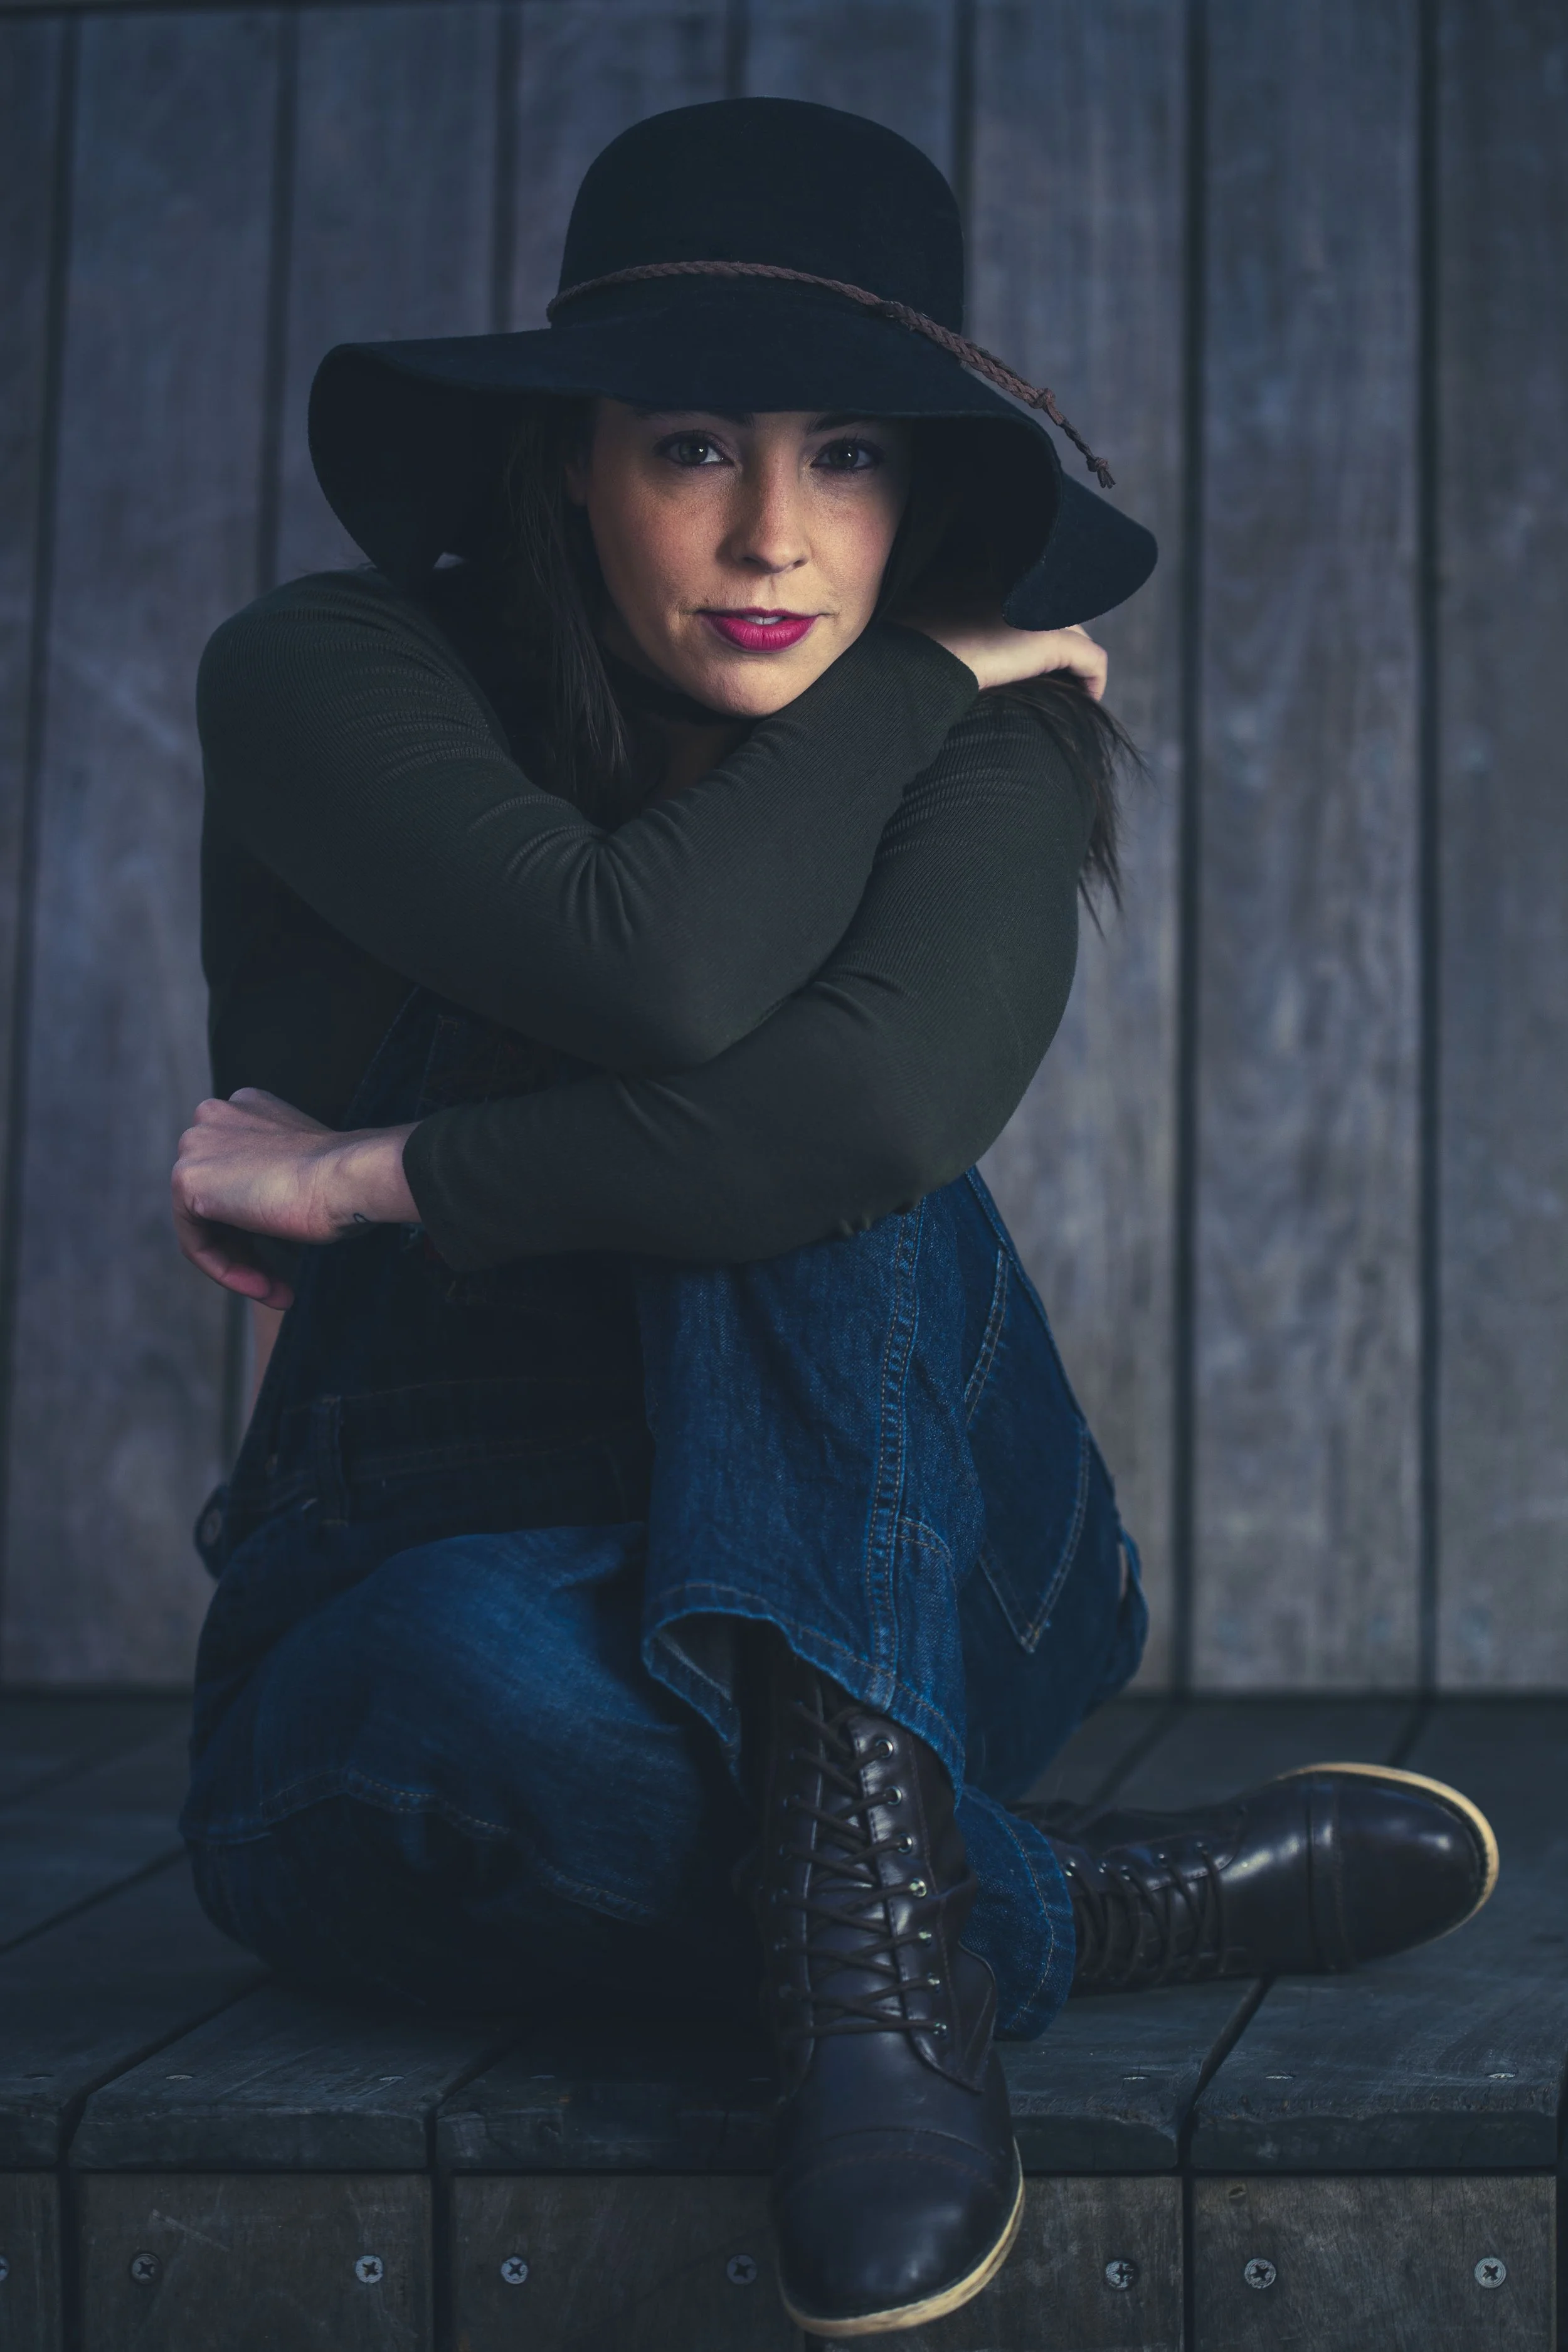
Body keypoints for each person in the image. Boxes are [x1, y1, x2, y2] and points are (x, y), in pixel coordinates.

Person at [171, 98, 1497, 2339]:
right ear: (571, 461)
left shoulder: (988, 731)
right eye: (693, 446)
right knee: (438, 1678)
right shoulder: (328, 672)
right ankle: (1017, 1908)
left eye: (852, 456)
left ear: (918, 490)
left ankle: (873, 1926)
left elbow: (856, 1106)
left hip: (938, 1554)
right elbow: (637, 962)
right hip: (441, 1588)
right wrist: (899, 675)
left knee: (815, 1132)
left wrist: (376, 1174)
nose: (774, 531)